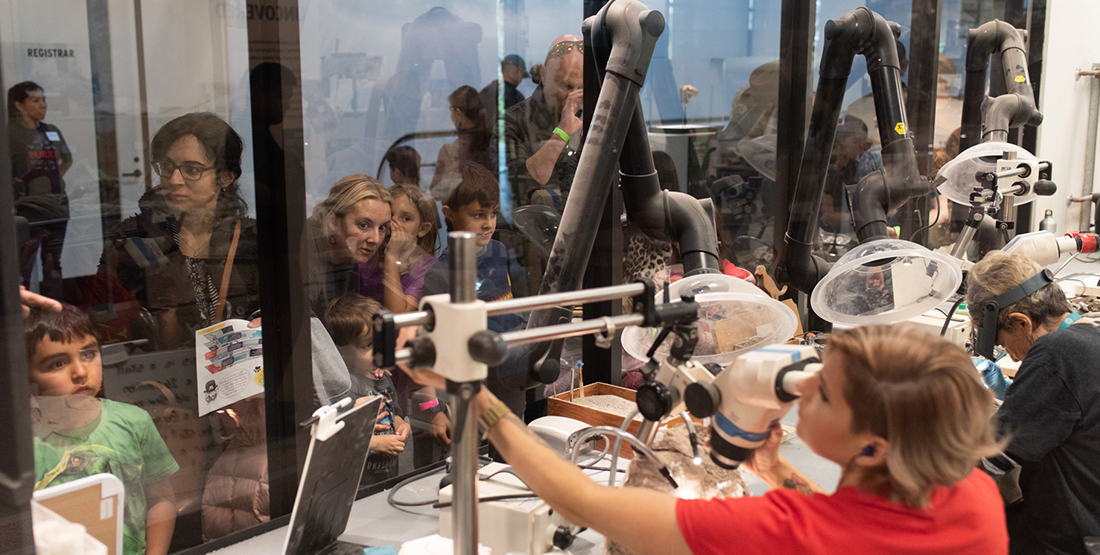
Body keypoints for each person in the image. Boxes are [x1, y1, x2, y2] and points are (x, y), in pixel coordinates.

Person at [404, 324, 1008, 555]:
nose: (803, 386)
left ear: (873, 446)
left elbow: (580, 503)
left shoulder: (791, 535)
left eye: (823, 391)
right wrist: (775, 471)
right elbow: (853, 515)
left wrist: (474, 397)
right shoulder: (972, 492)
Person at [966, 251, 1100, 554]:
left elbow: (992, 456)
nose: (1011, 357)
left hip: (1071, 540)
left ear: (1022, 322)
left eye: (1002, 343)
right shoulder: (1090, 332)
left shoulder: (1058, 352)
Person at [26, 304, 178, 555]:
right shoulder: (21, 442)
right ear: (27, 376)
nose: (80, 372)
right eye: (57, 363)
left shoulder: (134, 421)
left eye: (88, 354)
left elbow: (160, 500)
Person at [98, 112, 259, 349]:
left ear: (226, 177)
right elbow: (108, 321)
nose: (173, 179)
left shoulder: (251, 239)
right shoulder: (132, 239)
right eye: (166, 166)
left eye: (192, 170)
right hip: (160, 372)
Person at [422, 161, 524, 416]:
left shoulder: (500, 251)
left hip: (511, 372)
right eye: (478, 215)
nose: (489, 224)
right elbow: (433, 344)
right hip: (470, 384)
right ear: (450, 213)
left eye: (493, 213)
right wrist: (433, 407)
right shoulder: (439, 275)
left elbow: (512, 307)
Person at [322, 293, 413, 483]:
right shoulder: (343, 389)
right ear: (339, 350)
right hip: (356, 483)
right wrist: (374, 444)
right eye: (368, 345)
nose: (378, 351)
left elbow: (393, 413)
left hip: (387, 476)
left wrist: (401, 426)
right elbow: (335, 442)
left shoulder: (382, 378)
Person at [8, 81, 73, 300]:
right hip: (28, 209)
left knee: (53, 262)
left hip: (57, 206)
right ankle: (27, 315)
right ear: (19, 105)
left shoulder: (52, 131)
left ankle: (56, 314)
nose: (42, 105)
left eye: (44, 100)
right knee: (24, 264)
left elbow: (67, 160)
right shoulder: (10, 134)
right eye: (35, 100)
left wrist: (50, 180)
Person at [504, 35, 584, 209]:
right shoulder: (512, 121)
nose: (574, 98)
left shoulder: (595, 116)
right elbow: (517, 188)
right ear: (544, 75)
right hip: (531, 229)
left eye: (582, 88)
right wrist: (562, 133)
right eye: (567, 86)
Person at [306, 174, 392, 315]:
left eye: (382, 227)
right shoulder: (307, 259)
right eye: (363, 225)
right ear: (333, 222)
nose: (375, 239)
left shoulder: (348, 247)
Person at [358, 184, 439, 313]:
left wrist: (392, 256)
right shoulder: (367, 254)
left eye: (406, 219)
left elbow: (398, 314)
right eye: (390, 216)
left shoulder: (426, 266)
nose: (392, 225)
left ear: (422, 229)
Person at [430, 85, 495, 201]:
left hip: (460, 216)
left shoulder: (450, 150)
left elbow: (436, 193)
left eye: (450, 110)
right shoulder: (494, 143)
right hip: (490, 212)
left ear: (458, 114)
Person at [480, 54, 529, 129]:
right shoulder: (516, 97)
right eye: (522, 75)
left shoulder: (485, 92)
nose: (521, 80)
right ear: (515, 70)